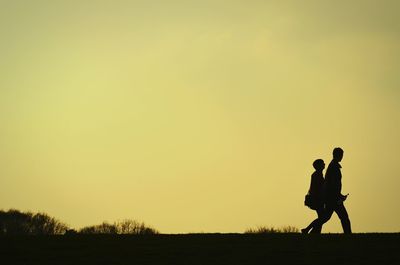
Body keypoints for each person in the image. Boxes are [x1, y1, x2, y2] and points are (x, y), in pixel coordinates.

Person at [320, 147, 352, 234]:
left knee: (326, 217)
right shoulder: (334, 167)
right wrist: (339, 196)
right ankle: (348, 234)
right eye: (341, 155)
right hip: (333, 197)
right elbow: (334, 184)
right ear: (337, 155)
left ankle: (308, 229)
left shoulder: (333, 166)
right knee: (344, 217)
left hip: (332, 197)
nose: (342, 157)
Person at [302, 159, 326, 234]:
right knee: (322, 218)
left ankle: (314, 232)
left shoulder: (317, 174)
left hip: (318, 199)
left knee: (321, 217)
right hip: (317, 199)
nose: (324, 164)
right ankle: (308, 230)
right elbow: (316, 188)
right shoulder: (317, 175)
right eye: (322, 163)